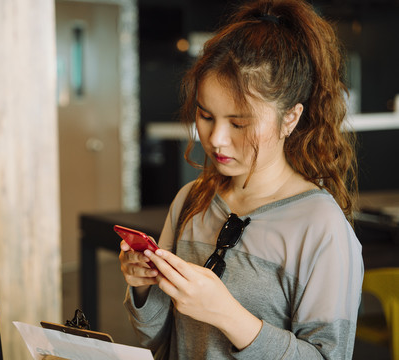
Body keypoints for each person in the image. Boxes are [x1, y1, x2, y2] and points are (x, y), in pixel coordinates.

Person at [119, 0, 364, 359]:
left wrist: (229, 316)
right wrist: (142, 288)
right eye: (205, 116)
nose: (216, 139)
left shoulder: (321, 228)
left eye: (239, 124)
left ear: (290, 119)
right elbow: (158, 340)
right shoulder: (191, 200)